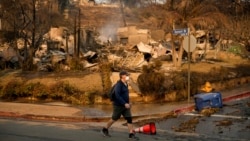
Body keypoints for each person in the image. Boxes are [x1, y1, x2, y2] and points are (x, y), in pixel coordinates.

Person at [101, 70, 138, 140]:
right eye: (126, 75)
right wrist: (124, 103)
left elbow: (125, 95)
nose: (128, 76)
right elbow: (117, 95)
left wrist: (128, 103)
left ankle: (131, 134)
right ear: (122, 76)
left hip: (125, 106)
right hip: (118, 106)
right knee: (114, 118)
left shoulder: (126, 84)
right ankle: (105, 129)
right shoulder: (119, 85)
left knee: (129, 119)